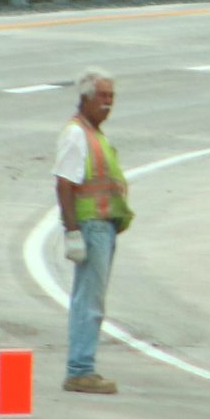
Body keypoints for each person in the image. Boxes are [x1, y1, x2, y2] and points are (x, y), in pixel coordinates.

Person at [53, 69, 131, 394]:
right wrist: (72, 231)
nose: (108, 103)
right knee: (90, 301)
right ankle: (80, 369)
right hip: (91, 227)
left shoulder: (93, 134)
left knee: (89, 299)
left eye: (111, 96)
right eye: (102, 96)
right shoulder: (77, 134)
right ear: (85, 98)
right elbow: (64, 184)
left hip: (102, 227)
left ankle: (81, 367)